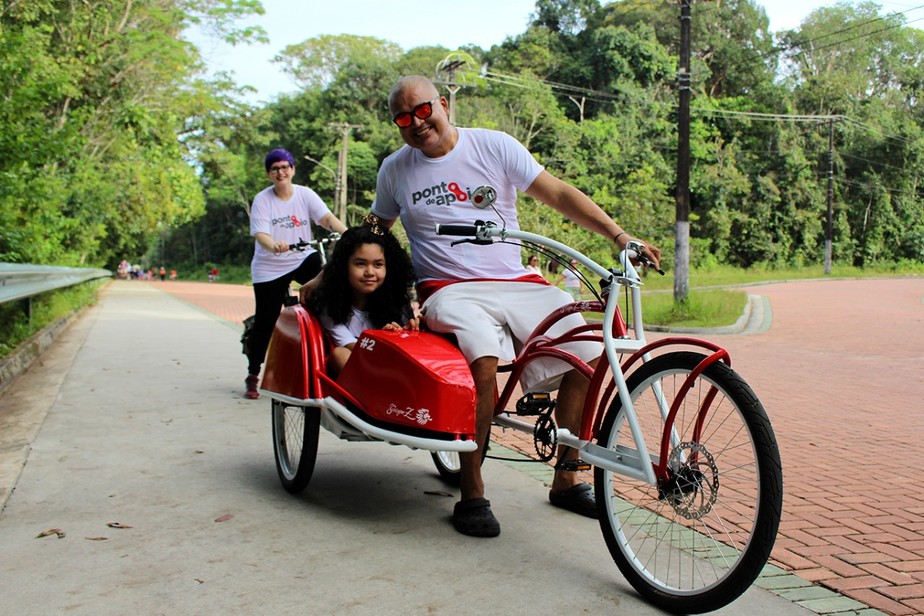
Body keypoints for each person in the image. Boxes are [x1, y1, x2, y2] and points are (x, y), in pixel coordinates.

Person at [369, 75, 662, 538]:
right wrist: (339, 268)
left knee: (588, 353)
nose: (417, 123)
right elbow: (375, 227)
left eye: (424, 110)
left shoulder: (494, 146)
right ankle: (472, 491)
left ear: (443, 104)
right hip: (449, 287)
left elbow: (560, 193)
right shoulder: (395, 170)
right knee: (482, 359)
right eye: (404, 118)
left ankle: (566, 479)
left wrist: (620, 236)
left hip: (515, 279)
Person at [245, 148, 347, 399]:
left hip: (302, 257)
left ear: (292, 169)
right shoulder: (263, 199)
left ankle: (334, 353)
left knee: (330, 289)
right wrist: (274, 245)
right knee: (266, 321)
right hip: (269, 267)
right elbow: (261, 234)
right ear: (269, 174)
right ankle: (253, 373)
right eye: (275, 169)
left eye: (284, 167)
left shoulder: (305, 194)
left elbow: (326, 219)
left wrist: (350, 236)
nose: (280, 172)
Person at [306, 217, 418, 377]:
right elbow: (351, 347)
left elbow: (407, 350)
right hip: (358, 376)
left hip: (393, 371)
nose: (370, 272)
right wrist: (383, 341)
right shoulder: (330, 305)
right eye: (360, 264)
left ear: (389, 267)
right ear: (344, 265)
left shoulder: (397, 302)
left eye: (378, 264)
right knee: (339, 354)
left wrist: (401, 333)